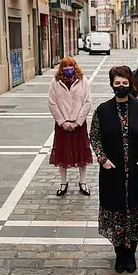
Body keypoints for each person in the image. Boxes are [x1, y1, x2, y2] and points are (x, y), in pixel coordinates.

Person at [90, 66, 138, 273]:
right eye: (117, 83)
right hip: (113, 171)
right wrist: (103, 159)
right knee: (116, 214)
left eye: (125, 83)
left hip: (137, 171)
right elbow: (95, 137)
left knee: (136, 212)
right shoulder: (102, 110)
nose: (121, 87)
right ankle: (119, 253)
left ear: (130, 85)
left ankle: (132, 253)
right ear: (112, 84)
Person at [48, 56, 93, 196]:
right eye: (65, 67)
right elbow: (52, 103)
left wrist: (77, 122)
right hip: (62, 125)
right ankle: (63, 182)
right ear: (61, 68)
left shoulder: (83, 81)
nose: (68, 69)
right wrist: (63, 122)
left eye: (70, 66)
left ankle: (83, 182)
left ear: (75, 67)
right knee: (62, 153)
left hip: (79, 125)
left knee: (81, 153)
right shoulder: (55, 82)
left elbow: (88, 102)